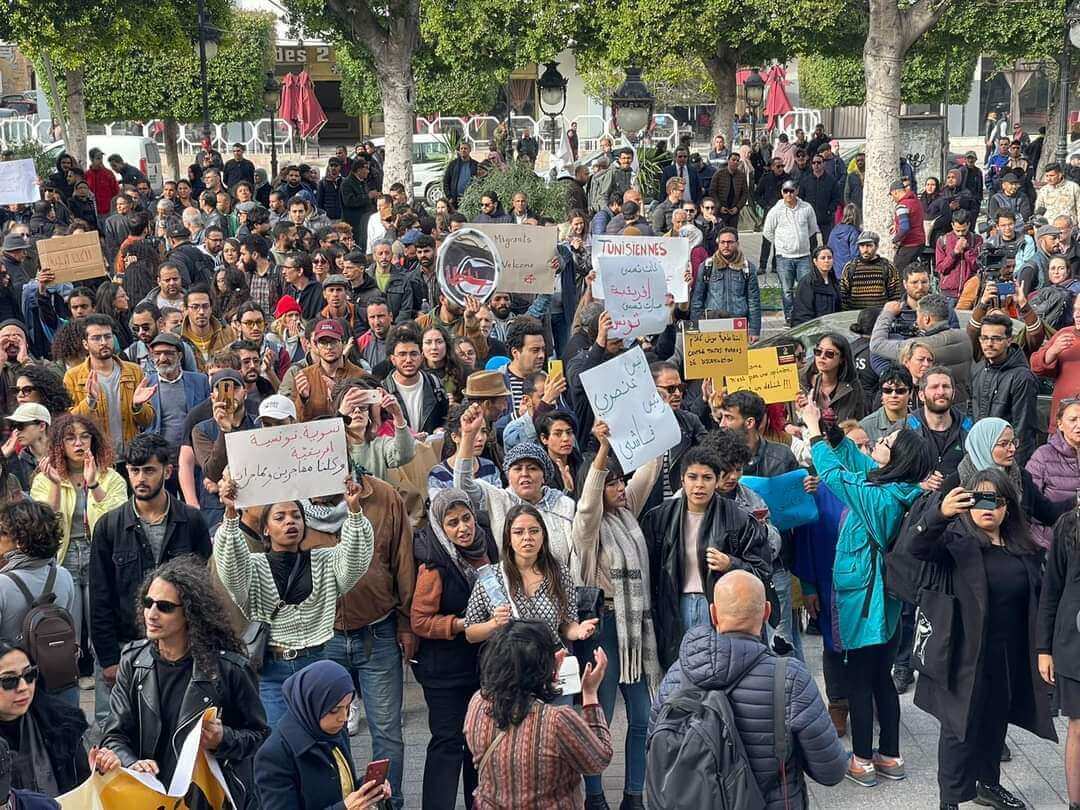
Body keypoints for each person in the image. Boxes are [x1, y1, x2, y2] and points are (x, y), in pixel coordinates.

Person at [897, 472, 1053, 810]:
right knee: (958, 727)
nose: (988, 509)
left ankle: (988, 785)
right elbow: (915, 546)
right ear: (967, 505)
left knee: (994, 721)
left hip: (1006, 654)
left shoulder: (1022, 549)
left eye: (996, 501)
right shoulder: (955, 544)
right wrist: (939, 514)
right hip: (962, 654)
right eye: (979, 499)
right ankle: (950, 799)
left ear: (1008, 509)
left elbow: (1038, 601)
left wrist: (1044, 648)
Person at [801, 399, 932, 787]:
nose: (876, 442)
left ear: (895, 459)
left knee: (859, 679)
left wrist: (811, 432)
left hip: (865, 601)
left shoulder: (878, 496)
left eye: (884, 441)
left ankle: (861, 760)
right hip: (885, 602)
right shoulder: (898, 487)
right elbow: (857, 464)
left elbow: (835, 474)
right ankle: (889, 755)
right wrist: (833, 432)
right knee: (881, 679)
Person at [652, 571, 848, 808]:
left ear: (713, 614)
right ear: (766, 611)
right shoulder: (790, 678)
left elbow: (654, 751)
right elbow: (832, 771)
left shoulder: (676, 675)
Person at [91, 556, 269, 803]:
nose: (151, 614)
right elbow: (114, 734)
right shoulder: (134, 661)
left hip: (204, 797)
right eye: (147, 603)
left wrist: (222, 738)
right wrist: (134, 764)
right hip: (149, 795)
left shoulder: (230, 669)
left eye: (164, 607)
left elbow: (258, 737)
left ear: (190, 612)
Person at [214, 472, 375, 725]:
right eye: (280, 517)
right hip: (272, 671)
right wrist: (231, 515)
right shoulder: (253, 567)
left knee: (328, 745)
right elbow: (231, 567)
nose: (290, 522)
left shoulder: (324, 560)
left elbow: (355, 560)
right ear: (266, 529)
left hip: (318, 664)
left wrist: (354, 511)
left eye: (296, 516)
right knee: (279, 746)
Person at [88, 434, 213, 719]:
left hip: (179, 646)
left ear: (167, 471)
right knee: (115, 729)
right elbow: (99, 596)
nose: (140, 478)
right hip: (125, 643)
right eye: (134, 470)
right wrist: (108, 659)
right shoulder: (109, 527)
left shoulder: (190, 521)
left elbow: (205, 591)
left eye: (149, 470)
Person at [572, 421, 662, 809]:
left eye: (620, 482)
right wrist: (604, 449)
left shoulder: (628, 512)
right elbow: (591, 498)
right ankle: (594, 796)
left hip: (637, 630)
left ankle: (634, 794)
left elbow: (652, 466)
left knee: (642, 716)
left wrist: (651, 415)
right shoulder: (586, 526)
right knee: (600, 717)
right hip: (604, 629)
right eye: (612, 483)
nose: (620, 489)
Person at [641, 446, 769, 669]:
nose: (699, 485)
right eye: (692, 477)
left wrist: (731, 564)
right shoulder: (660, 518)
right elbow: (649, 573)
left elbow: (762, 570)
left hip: (720, 605)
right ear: (682, 480)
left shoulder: (737, 518)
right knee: (681, 673)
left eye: (707, 478)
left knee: (721, 670)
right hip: (674, 605)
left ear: (717, 480)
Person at [411, 489, 498, 810]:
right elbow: (420, 621)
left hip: (482, 668)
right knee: (448, 743)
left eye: (466, 519)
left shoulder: (487, 549)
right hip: (444, 671)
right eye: (452, 523)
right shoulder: (434, 565)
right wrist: (461, 624)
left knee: (478, 745)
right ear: (439, 527)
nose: (462, 528)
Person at [465, 621, 611, 809]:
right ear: (541, 667)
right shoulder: (556, 721)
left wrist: (548, 672)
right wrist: (590, 695)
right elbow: (598, 760)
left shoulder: (478, 702)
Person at [29, 413, 126, 659]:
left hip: (98, 553)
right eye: (70, 438)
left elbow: (116, 521)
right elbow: (44, 524)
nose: (79, 443)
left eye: (84, 437)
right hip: (64, 554)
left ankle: (102, 673)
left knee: (100, 618)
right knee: (67, 620)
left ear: (94, 441)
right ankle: (70, 674)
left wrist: (94, 485)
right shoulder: (44, 479)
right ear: (60, 444)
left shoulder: (111, 477)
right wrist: (53, 485)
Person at [254, 660, 391, 810]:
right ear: (311, 703)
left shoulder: (332, 730)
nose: (343, 717)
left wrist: (367, 789)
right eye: (334, 710)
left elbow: (338, 787)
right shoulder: (273, 756)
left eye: (347, 707)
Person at [455, 405, 576, 565]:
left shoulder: (563, 505)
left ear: (544, 476)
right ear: (508, 476)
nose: (524, 474)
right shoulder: (499, 498)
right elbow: (462, 487)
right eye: (518, 469)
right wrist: (468, 436)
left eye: (532, 468)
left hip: (560, 585)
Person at [63, 314, 156, 456]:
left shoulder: (134, 371)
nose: (103, 342)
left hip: (130, 456)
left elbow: (148, 421)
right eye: (96, 338)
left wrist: (137, 406)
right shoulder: (73, 376)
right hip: (96, 457)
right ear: (85, 344)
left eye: (107, 336)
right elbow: (69, 424)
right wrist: (90, 402)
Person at [870, 295, 972, 407]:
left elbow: (877, 344)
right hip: (961, 402)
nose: (916, 321)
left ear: (926, 319)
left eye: (918, 316)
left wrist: (887, 313)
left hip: (932, 405)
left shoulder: (921, 346)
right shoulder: (964, 337)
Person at [970, 313, 1039, 464]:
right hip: (980, 455)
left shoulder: (1022, 377)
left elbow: (1024, 429)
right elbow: (972, 412)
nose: (989, 344)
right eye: (984, 338)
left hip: (1008, 458)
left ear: (1009, 341)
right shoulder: (978, 369)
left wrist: (1017, 469)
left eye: (996, 338)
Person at [762, 180, 819, 323]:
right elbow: (767, 232)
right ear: (781, 192)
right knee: (787, 290)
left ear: (797, 191)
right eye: (785, 191)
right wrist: (782, 244)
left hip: (804, 256)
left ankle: (805, 316)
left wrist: (801, 241)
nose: (788, 194)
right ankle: (789, 317)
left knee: (805, 288)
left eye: (791, 191)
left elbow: (812, 229)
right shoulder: (775, 211)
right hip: (784, 257)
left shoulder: (806, 208)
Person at [688, 228, 762, 339]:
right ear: (718, 243)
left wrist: (754, 330)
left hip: (738, 324)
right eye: (722, 242)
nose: (726, 245)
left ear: (737, 243)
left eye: (730, 242)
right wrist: (695, 326)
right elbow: (697, 299)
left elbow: (754, 301)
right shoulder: (707, 266)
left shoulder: (747, 267)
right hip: (712, 323)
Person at [1032, 296, 1080, 428]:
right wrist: (1052, 351)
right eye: (1076, 309)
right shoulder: (1065, 334)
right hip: (1063, 425)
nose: (1077, 314)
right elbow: (1036, 367)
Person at [801, 332, 866, 423]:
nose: (822, 357)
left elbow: (859, 423)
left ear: (842, 359)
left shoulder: (853, 387)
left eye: (829, 354)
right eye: (818, 351)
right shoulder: (801, 381)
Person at [839, 231, 901, 311]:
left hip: (879, 316)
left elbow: (895, 296)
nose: (865, 249)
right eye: (862, 246)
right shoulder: (850, 267)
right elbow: (843, 295)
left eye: (869, 246)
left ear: (876, 246)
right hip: (855, 316)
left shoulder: (887, 267)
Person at [859, 365, 913, 443]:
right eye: (887, 390)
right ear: (881, 394)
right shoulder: (864, 427)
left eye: (900, 391)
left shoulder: (921, 422)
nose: (893, 395)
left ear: (910, 393)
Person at [791, 245, 841, 325]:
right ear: (815, 261)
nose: (826, 261)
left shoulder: (834, 281)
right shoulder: (807, 282)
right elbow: (802, 313)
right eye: (823, 258)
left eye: (829, 258)